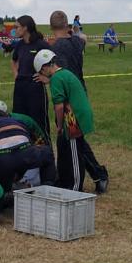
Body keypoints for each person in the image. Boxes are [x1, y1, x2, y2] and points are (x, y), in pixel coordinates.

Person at [46, 10, 107, 191]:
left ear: (51, 26)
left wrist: (47, 78)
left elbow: (60, 75)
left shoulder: (56, 49)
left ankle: (98, 174)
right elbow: (82, 38)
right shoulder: (77, 42)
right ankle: (81, 175)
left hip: (68, 100)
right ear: (67, 24)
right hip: (80, 93)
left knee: (74, 139)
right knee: (74, 139)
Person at [34, 49, 97, 192]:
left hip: (74, 120)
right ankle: (64, 182)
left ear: (44, 67)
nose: (42, 74)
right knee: (70, 148)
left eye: (41, 72)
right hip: (80, 114)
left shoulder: (56, 79)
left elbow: (59, 106)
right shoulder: (64, 73)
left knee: (75, 155)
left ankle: (76, 187)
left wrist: (59, 125)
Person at [0, 99, 56, 192]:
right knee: (47, 153)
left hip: (3, 161)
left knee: (0, 169)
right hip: (25, 154)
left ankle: (5, 192)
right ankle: (47, 187)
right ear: (6, 114)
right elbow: (30, 141)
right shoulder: (18, 122)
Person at [10, 15, 51, 143]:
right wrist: (16, 74)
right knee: (19, 120)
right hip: (20, 88)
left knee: (38, 122)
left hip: (35, 87)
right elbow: (13, 60)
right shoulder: (19, 45)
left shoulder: (40, 44)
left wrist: (47, 78)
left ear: (25, 28)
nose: (15, 30)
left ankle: (45, 149)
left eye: (17, 27)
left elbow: (55, 62)